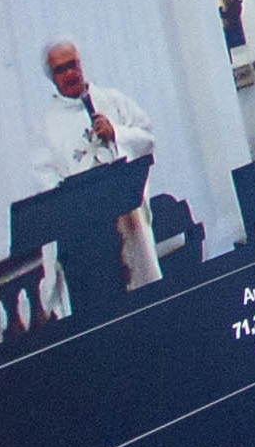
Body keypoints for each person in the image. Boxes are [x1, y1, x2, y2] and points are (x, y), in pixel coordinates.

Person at [30, 37, 165, 289]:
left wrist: (117, 134)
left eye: (73, 65)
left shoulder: (112, 100)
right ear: (52, 76)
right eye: (61, 69)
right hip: (87, 234)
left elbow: (148, 139)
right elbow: (46, 181)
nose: (70, 74)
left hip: (129, 219)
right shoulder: (46, 126)